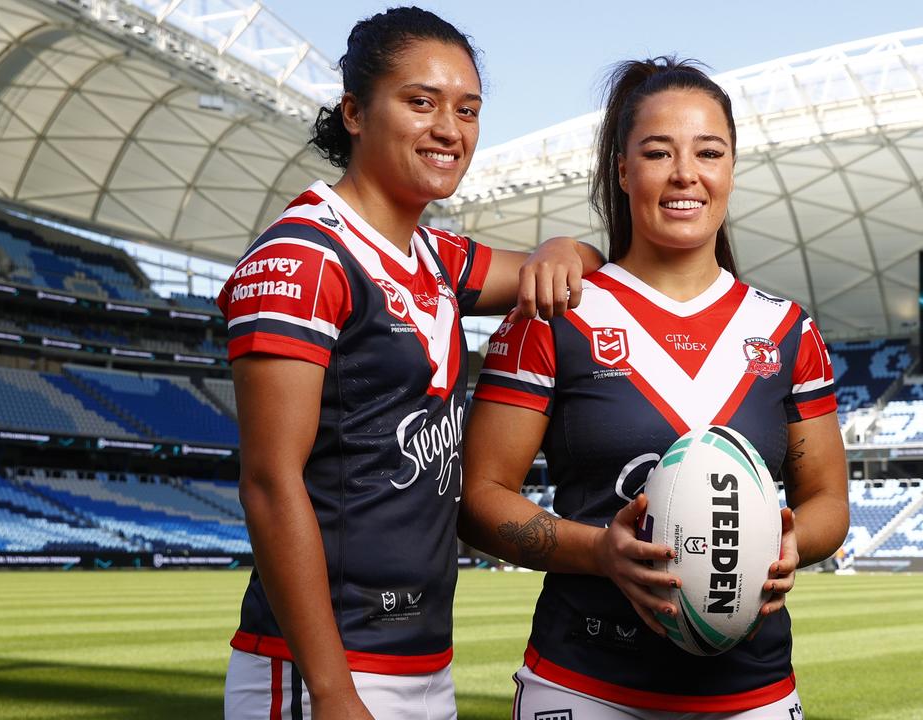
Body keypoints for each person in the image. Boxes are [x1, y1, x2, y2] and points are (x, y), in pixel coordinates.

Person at [217, 8, 602, 720]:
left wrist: (562, 247)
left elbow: (579, 269)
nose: (449, 130)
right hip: (322, 670)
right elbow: (270, 484)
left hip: (425, 663)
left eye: (468, 109)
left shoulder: (438, 258)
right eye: (420, 102)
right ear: (356, 113)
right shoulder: (303, 257)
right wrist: (332, 692)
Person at [459, 57, 849, 718]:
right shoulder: (554, 315)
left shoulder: (787, 331)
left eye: (709, 152)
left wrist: (793, 542)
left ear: (730, 168)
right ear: (623, 169)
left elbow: (828, 501)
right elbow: (478, 498)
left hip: (750, 693)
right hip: (583, 686)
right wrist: (600, 552)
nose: (685, 174)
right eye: (657, 152)